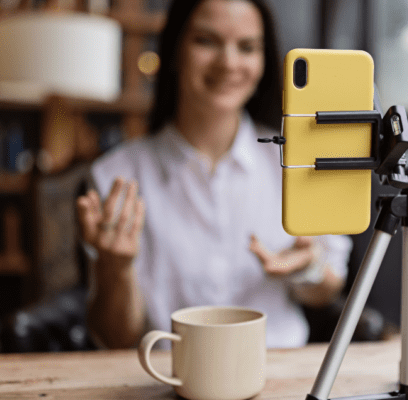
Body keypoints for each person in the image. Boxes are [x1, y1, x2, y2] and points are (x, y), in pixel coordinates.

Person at [76, 0, 352, 349]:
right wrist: (115, 270)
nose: (229, 63)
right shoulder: (116, 177)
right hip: (170, 375)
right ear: (175, 50)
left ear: (264, 60)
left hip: (282, 373)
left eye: (248, 47)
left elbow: (331, 285)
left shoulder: (298, 163)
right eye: (206, 41)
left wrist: (306, 267)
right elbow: (116, 338)